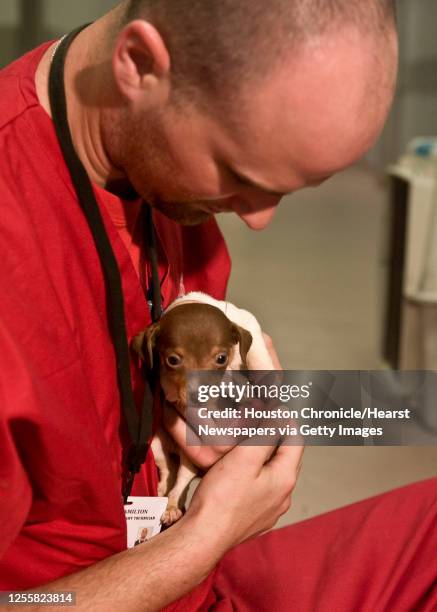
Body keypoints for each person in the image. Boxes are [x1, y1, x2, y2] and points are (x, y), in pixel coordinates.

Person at [0, 0, 435, 610]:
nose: (257, 220)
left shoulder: (161, 179)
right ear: (139, 64)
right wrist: (203, 540)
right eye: (237, 172)